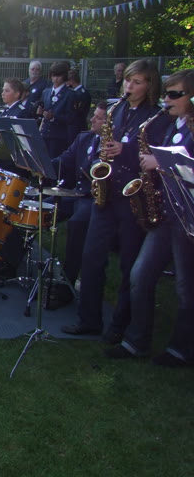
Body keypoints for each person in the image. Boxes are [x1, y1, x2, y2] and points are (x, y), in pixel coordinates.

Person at [62, 59, 166, 342]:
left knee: (128, 264)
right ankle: (89, 319)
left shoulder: (156, 117)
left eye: (137, 82)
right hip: (106, 194)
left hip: (134, 197)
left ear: (150, 86)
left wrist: (125, 150)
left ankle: (120, 325)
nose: (129, 86)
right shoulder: (116, 110)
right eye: (128, 80)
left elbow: (157, 156)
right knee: (91, 258)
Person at [105, 70, 194, 367]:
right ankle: (136, 342)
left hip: (187, 218)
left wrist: (161, 162)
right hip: (166, 213)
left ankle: (181, 350)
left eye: (175, 94)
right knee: (140, 276)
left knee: (186, 287)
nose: (167, 99)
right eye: (167, 93)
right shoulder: (172, 124)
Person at [53, 101, 107, 285]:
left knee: (77, 223)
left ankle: (67, 281)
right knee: (36, 203)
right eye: (94, 115)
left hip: (94, 199)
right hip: (75, 193)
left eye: (99, 118)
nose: (92, 120)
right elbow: (64, 160)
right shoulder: (84, 138)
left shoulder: (114, 146)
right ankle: (9, 262)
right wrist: (40, 165)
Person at [38, 61, 75, 158]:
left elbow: (71, 118)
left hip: (59, 138)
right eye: (53, 75)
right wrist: (41, 112)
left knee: (54, 163)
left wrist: (54, 117)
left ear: (64, 76)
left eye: (59, 75)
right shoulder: (46, 92)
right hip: (44, 135)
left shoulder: (70, 94)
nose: (56, 78)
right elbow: (43, 108)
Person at [67, 67, 91, 141]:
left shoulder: (80, 94)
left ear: (71, 81)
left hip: (77, 127)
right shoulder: (77, 92)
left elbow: (77, 112)